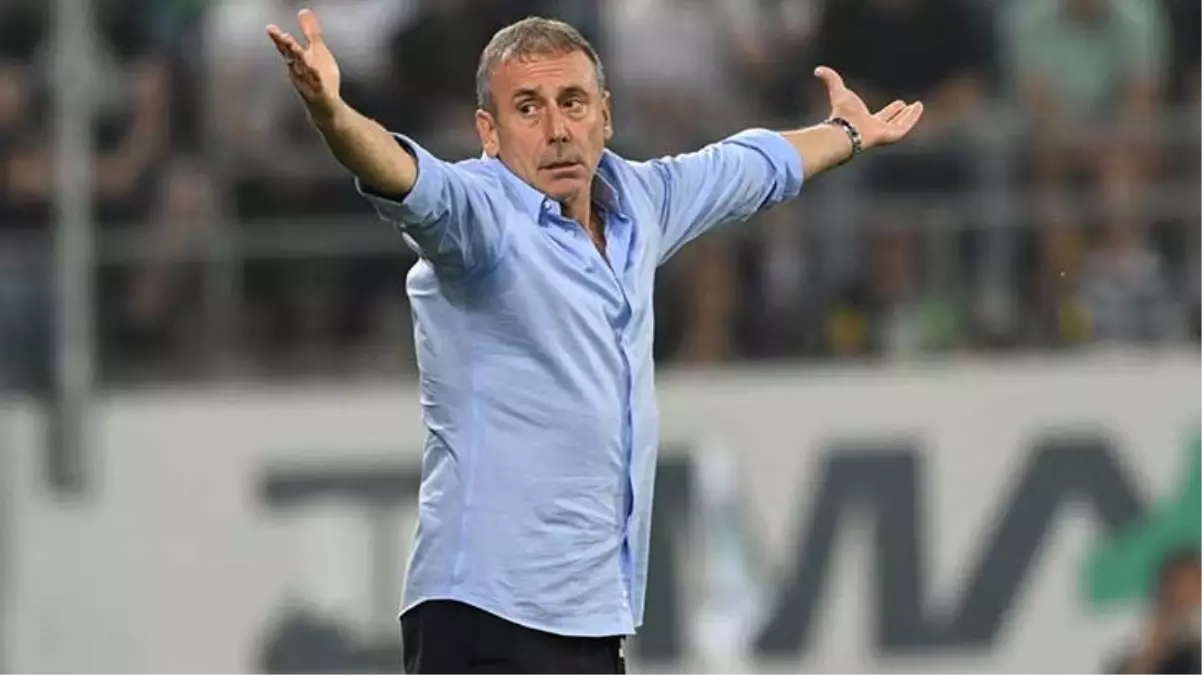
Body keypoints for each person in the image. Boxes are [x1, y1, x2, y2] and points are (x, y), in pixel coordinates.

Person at [266, 9, 922, 675]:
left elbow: (743, 168)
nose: (557, 129)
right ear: (489, 132)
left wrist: (845, 133)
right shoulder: (482, 219)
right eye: (528, 108)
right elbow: (406, 177)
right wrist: (334, 117)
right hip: (484, 614)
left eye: (573, 102)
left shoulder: (639, 199)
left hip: (589, 620)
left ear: (604, 116)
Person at [1115, 548, 1202, 675]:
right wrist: (1155, 649)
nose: (1187, 599)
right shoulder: (1154, 643)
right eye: (1179, 588)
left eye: (1193, 586)